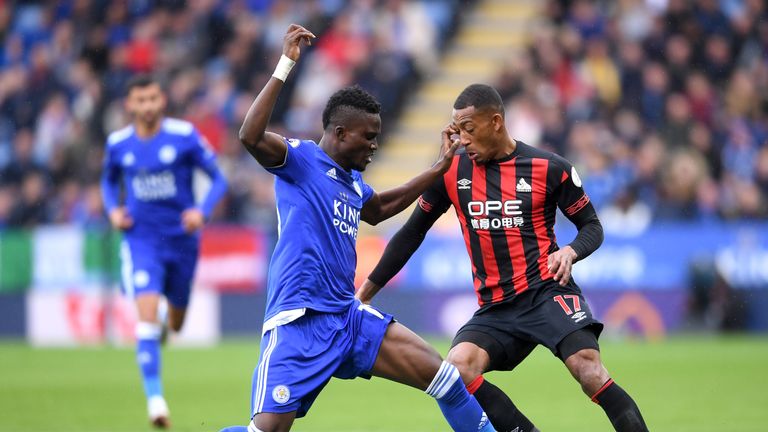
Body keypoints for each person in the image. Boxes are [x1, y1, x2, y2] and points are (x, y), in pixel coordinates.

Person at [219, 25, 495, 432]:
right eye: (368, 137)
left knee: (446, 379)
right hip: (301, 321)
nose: (374, 145)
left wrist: (439, 168)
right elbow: (250, 135)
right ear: (339, 133)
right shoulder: (300, 161)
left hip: (347, 318)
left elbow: (381, 207)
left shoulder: (351, 182)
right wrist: (286, 64)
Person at [357, 84, 649, 432]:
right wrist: (366, 293)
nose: (462, 139)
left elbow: (592, 227)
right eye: (456, 130)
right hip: (496, 306)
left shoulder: (549, 168)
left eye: (468, 128)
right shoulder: (450, 172)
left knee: (588, 369)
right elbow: (410, 234)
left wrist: (571, 251)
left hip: (547, 291)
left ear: (495, 122)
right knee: (458, 370)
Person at [100, 75, 228, 428]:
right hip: (141, 239)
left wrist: (201, 212)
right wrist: (113, 210)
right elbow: (108, 180)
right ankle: (156, 401)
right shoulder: (118, 144)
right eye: (140, 100)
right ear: (130, 105)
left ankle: (162, 326)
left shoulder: (184, 136)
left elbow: (218, 179)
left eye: (153, 98)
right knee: (144, 317)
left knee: (176, 322)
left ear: (162, 100)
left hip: (182, 242)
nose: (148, 106)